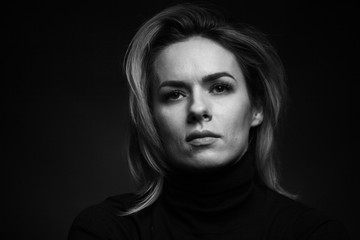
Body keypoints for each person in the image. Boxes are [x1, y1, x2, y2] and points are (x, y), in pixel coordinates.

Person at [68, 3, 349, 239]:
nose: (198, 108)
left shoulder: (312, 233)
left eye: (219, 88)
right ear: (151, 116)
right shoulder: (105, 231)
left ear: (257, 108)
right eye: (175, 94)